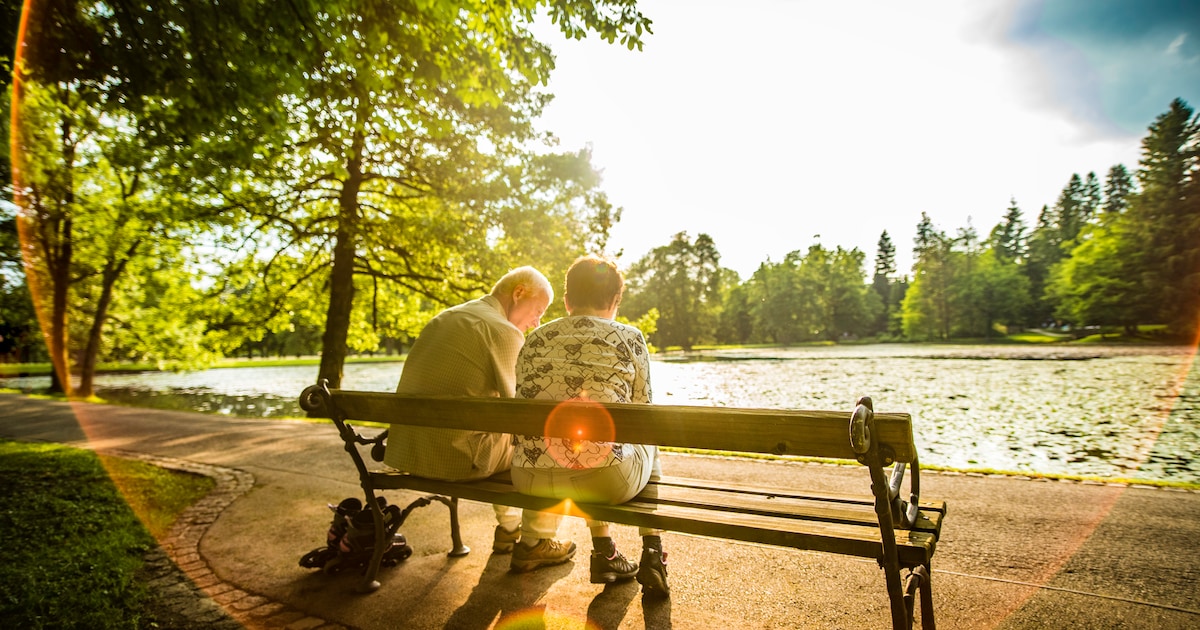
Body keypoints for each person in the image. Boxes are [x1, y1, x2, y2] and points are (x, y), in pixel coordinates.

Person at [508, 255, 669, 597]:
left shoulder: (534, 340)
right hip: (606, 483)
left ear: (566, 301)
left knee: (583, 444)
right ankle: (653, 555)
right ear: (615, 302)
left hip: (529, 476)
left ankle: (605, 550)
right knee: (648, 440)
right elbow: (645, 415)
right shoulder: (630, 337)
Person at [384, 266, 568, 556]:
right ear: (518, 293)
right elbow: (523, 412)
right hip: (456, 461)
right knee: (549, 446)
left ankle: (509, 529)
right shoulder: (502, 331)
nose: (536, 323)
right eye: (538, 310)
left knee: (500, 436)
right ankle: (538, 541)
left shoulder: (444, 318)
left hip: (411, 452)